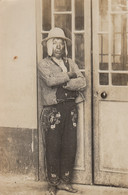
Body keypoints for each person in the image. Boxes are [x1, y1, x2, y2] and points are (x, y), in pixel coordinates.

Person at [38, 27, 86, 195]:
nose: (58, 46)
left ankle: (65, 182)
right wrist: (69, 76)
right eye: (55, 43)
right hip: (53, 111)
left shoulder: (70, 62)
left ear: (64, 46)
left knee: (69, 145)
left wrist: (65, 83)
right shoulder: (43, 64)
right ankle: (52, 183)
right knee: (53, 146)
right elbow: (50, 81)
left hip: (70, 109)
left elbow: (82, 82)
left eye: (61, 43)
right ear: (49, 46)